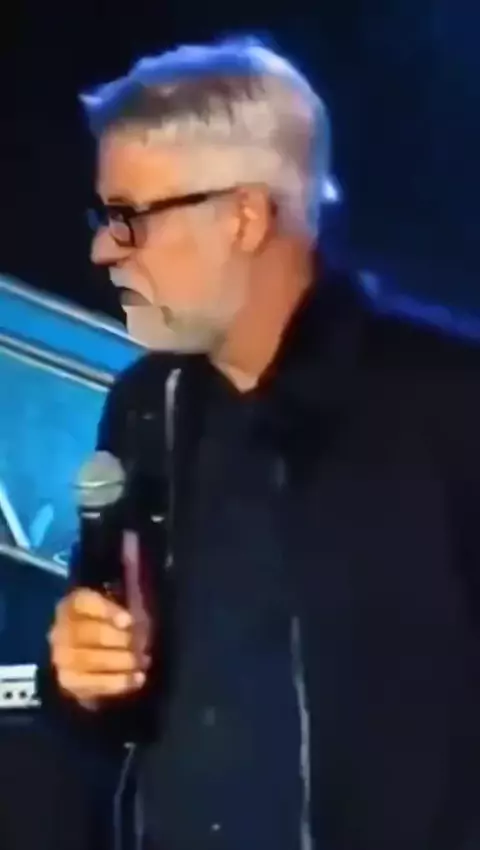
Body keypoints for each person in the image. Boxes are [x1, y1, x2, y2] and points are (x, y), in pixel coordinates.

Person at [42, 36, 480, 850]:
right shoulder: (146, 406)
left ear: (244, 216)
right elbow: (116, 713)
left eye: (130, 218)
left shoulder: (449, 404)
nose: (104, 249)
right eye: (105, 218)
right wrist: (84, 677)